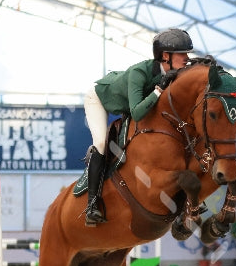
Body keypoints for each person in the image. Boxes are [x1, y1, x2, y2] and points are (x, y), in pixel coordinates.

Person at [82, 28, 194, 226]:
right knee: (100, 142)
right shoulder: (139, 72)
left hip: (128, 103)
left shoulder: (174, 73)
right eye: (182, 53)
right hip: (99, 99)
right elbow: (137, 113)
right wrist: (159, 89)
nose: (186, 58)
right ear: (165, 56)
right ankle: (91, 205)